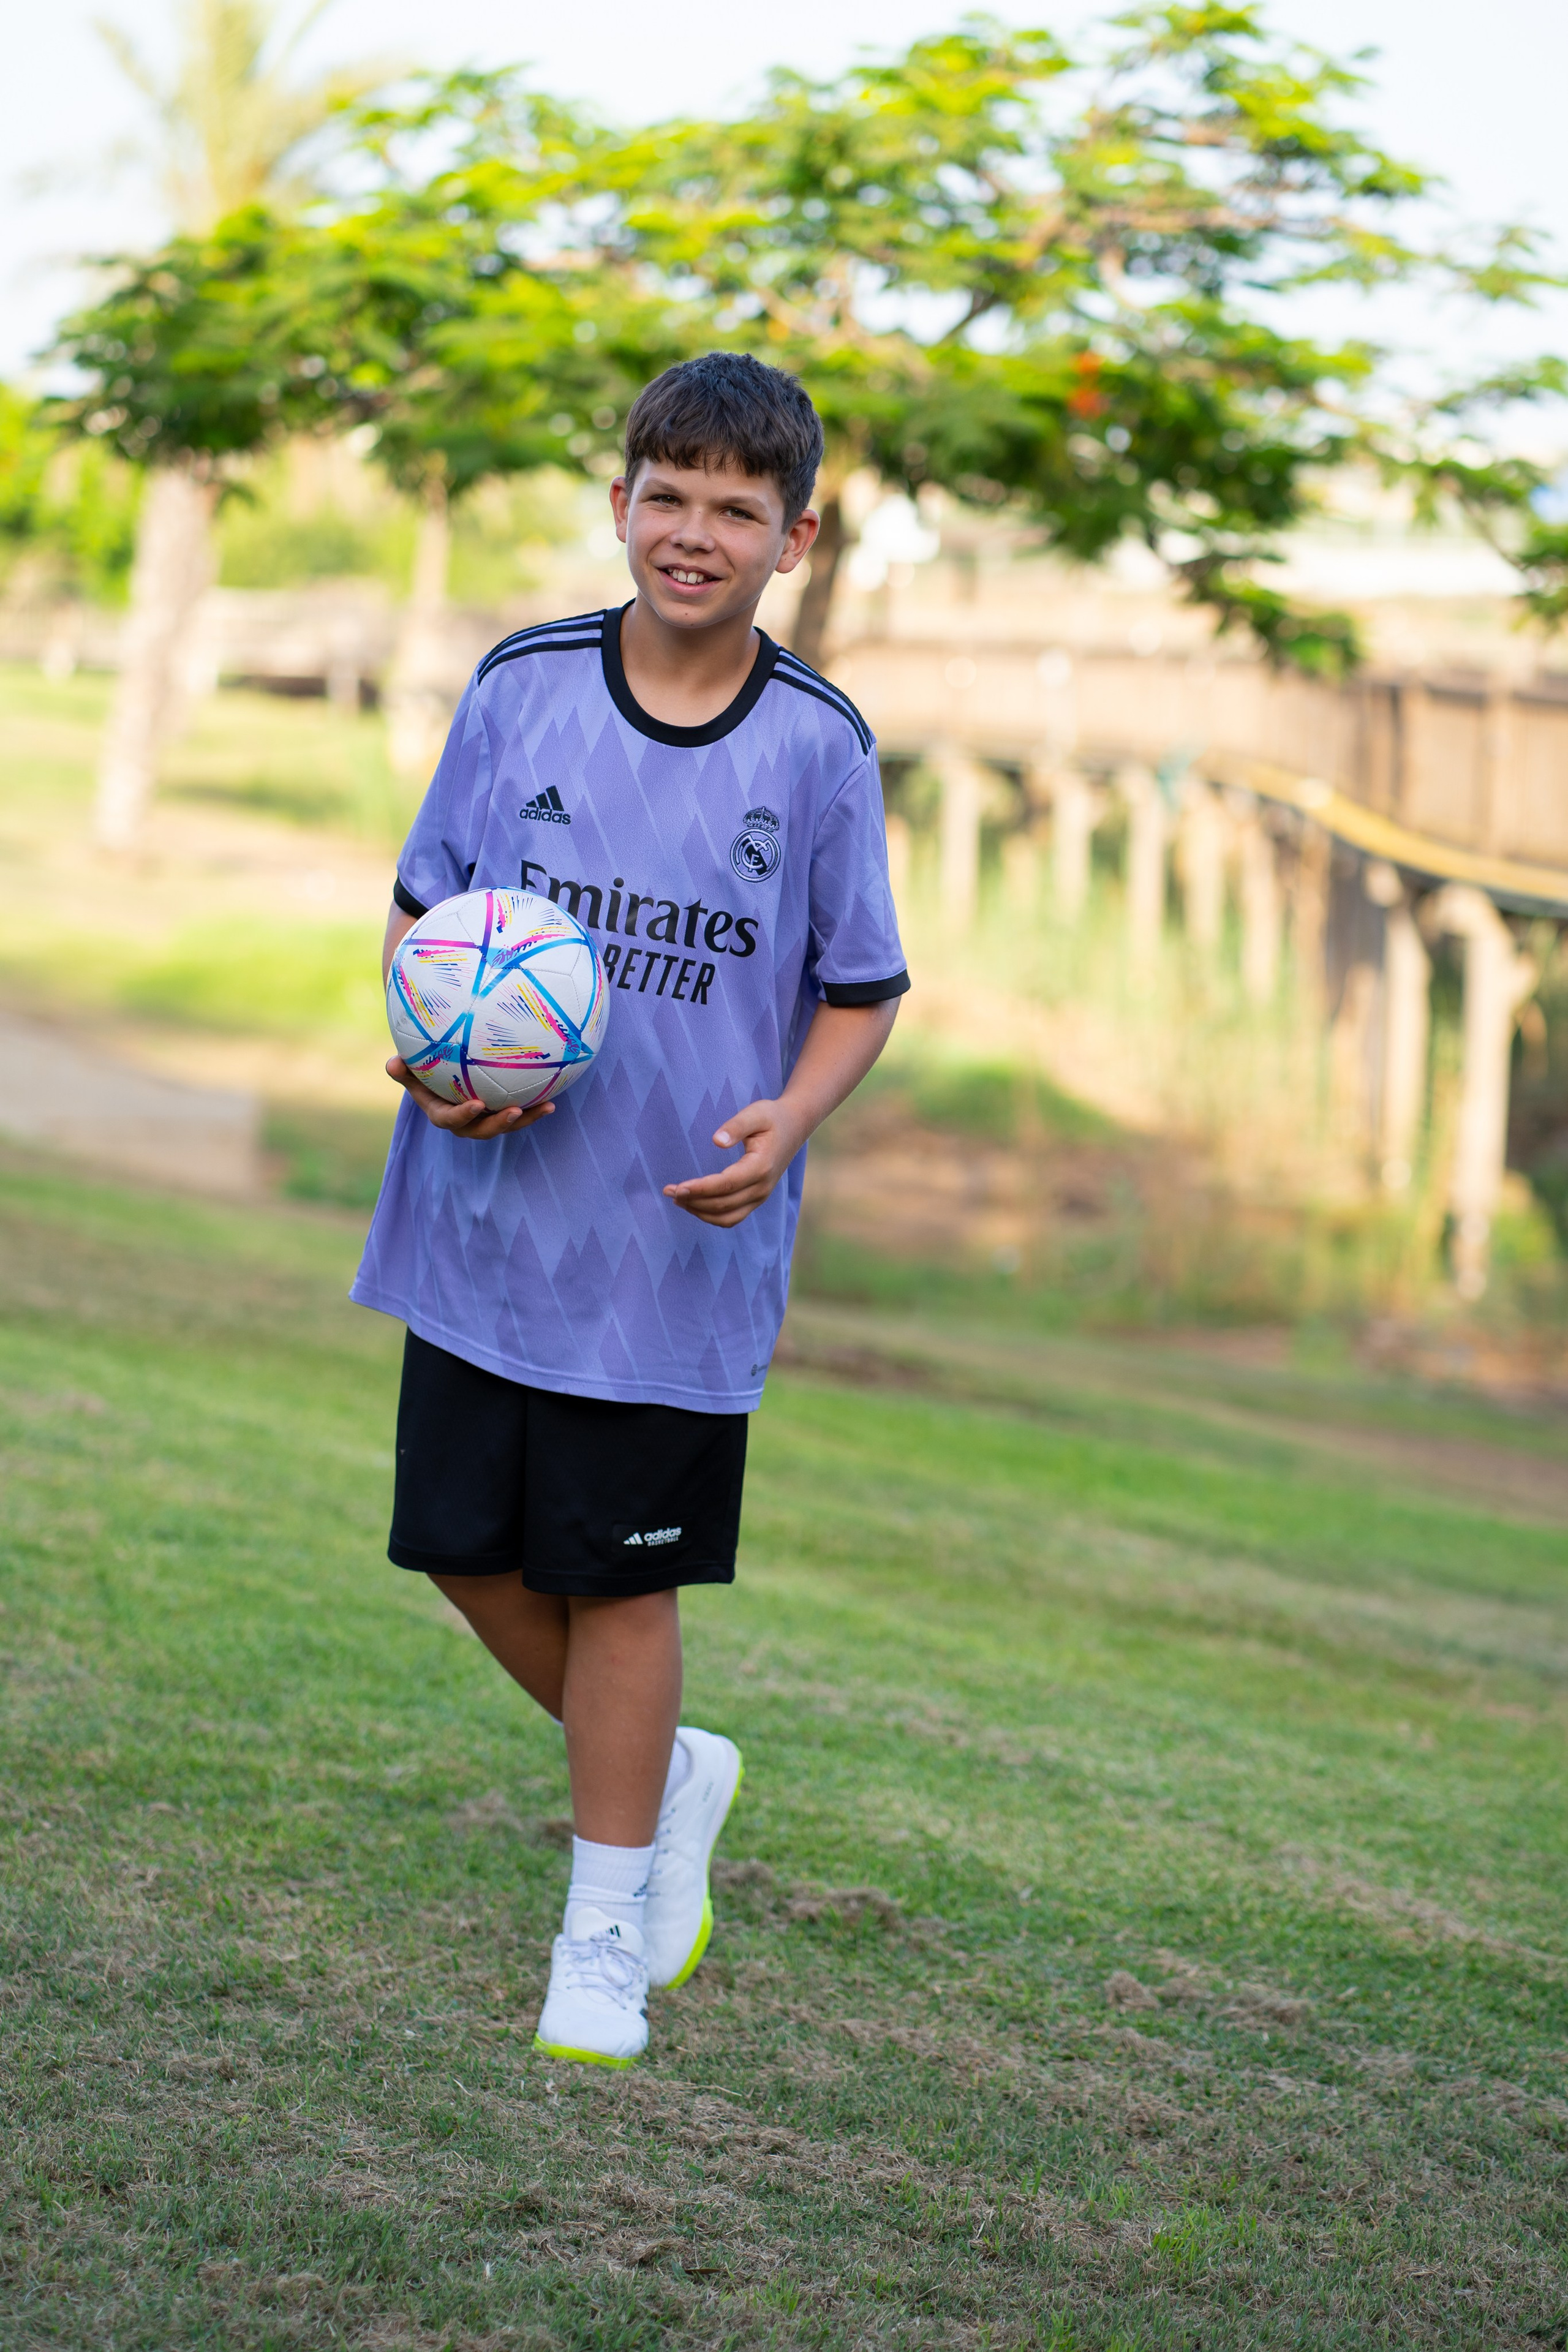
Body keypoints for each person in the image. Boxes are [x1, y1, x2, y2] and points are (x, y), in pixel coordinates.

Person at [351, 351, 908, 2065]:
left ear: (791, 538)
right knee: (462, 1550)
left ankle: (599, 1933)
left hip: (675, 1248)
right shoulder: (521, 685)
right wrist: (429, 1046)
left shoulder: (818, 749)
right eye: (666, 496)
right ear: (620, 506)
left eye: (736, 509)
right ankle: (667, 1775)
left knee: (621, 1585)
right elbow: (425, 910)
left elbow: (864, 983)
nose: (693, 533)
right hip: (488, 1213)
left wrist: (793, 1120)